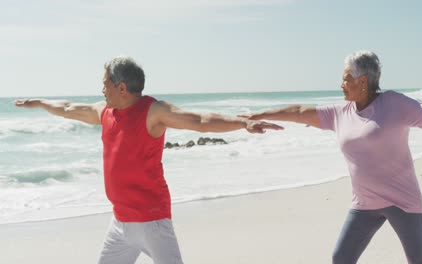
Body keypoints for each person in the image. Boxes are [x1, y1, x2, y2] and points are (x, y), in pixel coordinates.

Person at [15, 56, 283, 264]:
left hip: (151, 222)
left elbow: (199, 121)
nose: (101, 89)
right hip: (119, 224)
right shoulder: (105, 111)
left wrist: (242, 122)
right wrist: (39, 102)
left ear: (121, 87)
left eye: (105, 84)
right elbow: (69, 108)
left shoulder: (153, 111)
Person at [240, 50, 422, 264]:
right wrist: (259, 114)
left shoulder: (394, 104)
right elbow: (299, 112)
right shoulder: (339, 113)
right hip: (364, 204)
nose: (341, 84)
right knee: (341, 259)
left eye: (346, 78)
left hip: (403, 201)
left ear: (363, 82)